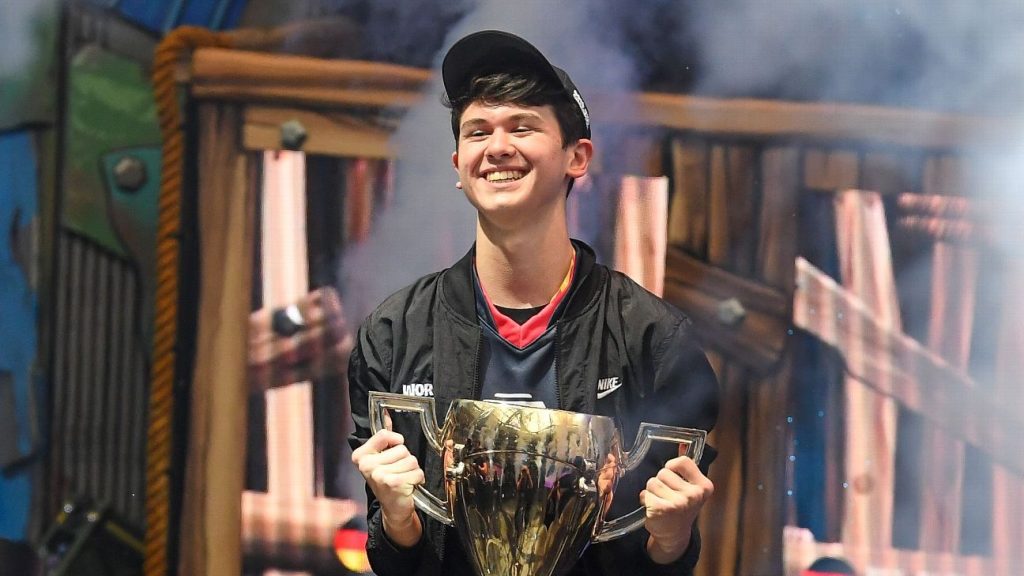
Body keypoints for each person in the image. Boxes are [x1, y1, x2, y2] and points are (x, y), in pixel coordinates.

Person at [348, 30, 719, 576]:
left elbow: (663, 554)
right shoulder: (393, 333)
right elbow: (393, 557)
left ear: (577, 157)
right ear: (458, 164)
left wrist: (672, 538)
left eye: (522, 127)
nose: (497, 147)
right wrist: (398, 519)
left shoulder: (653, 339)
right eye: (478, 131)